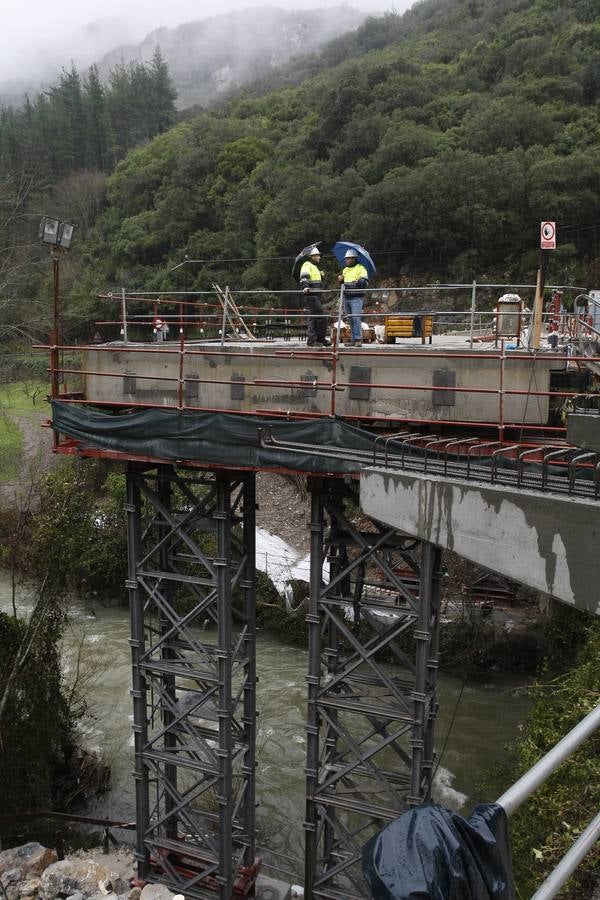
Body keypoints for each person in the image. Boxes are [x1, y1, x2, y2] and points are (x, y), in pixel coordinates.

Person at [299, 247, 329, 347]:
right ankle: (319, 339)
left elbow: (315, 280)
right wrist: (305, 287)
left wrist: (321, 276)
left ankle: (313, 340)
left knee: (314, 318)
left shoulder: (314, 267)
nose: (319, 257)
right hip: (311, 295)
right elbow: (304, 277)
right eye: (318, 255)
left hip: (315, 295)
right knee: (321, 317)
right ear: (312, 256)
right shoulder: (307, 265)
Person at [338, 249, 369, 346]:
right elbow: (343, 284)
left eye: (348, 258)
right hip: (346, 297)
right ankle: (353, 339)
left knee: (356, 318)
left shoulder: (361, 268)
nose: (346, 260)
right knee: (350, 319)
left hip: (356, 298)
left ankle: (358, 339)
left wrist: (360, 281)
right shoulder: (345, 270)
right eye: (346, 259)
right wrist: (341, 281)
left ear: (354, 259)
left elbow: (365, 283)